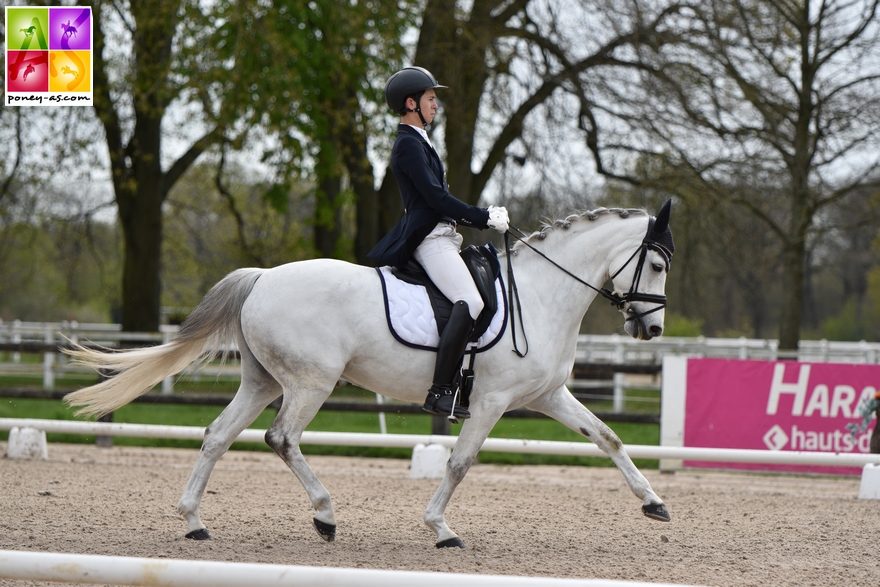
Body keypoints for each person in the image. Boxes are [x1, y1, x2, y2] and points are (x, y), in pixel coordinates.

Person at [368, 66, 509, 421]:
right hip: (430, 238)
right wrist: (483, 217)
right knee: (471, 301)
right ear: (411, 103)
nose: (436, 105)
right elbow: (436, 199)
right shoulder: (407, 145)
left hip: (442, 234)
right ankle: (441, 391)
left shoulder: (421, 141)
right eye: (431, 99)